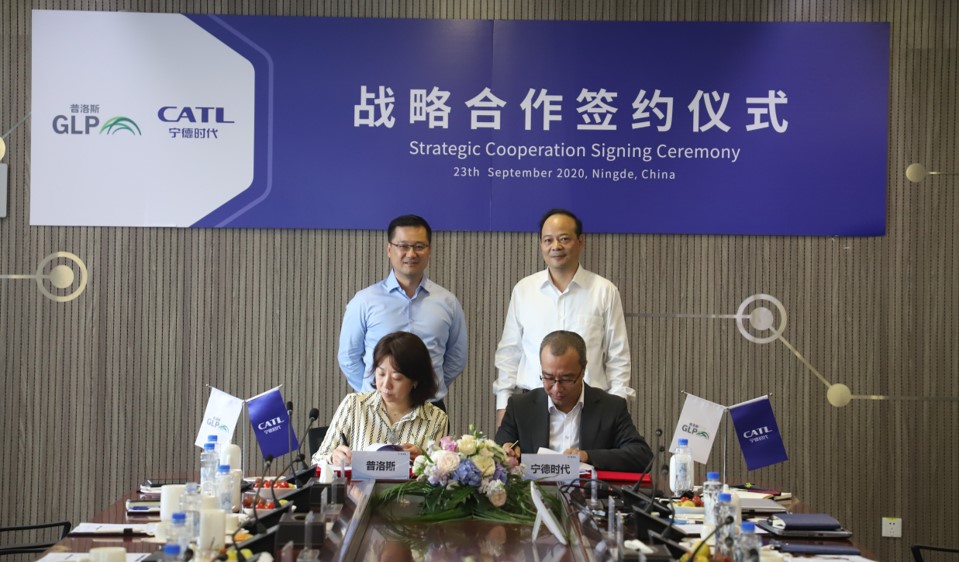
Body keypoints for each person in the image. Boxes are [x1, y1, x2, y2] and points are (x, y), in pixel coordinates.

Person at [493, 208, 632, 428]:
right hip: (533, 405)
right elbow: (509, 354)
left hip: (590, 407)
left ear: (580, 241)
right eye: (548, 240)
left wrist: (616, 410)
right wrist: (503, 406)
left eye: (564, 239)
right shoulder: (524, 290)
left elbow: (618, 357)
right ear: (541, 244)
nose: (555, 246)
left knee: (588, 454)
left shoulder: (604, 291)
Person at [338, 214, 467, 412]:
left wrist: (427, 387)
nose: (411, 254)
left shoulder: (448, 302)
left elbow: (456, 357)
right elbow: (348, 357)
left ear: (429, 250)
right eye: (403, 246)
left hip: (429, 408)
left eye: (419, 246)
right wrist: (374, 392)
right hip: (376, 408)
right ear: (389, 249)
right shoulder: (364, 301)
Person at [495, 331, 652, 472]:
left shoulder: (610, 407)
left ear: (583, 370)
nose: (557, 388)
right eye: (548, 378)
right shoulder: (520, 407)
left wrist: (587, 456)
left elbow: (642, 456)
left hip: (590, 494)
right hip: (533, 493)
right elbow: (497, 450)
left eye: (566, 379)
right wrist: (506, 450)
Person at [314, 331, 449, 465]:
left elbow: (439, 472)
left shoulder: (436, 419)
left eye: (397, 378)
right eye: (381, 374)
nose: (386, 385)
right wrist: (333, 458)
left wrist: (423, 461)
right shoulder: (354, 405)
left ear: (416, 380)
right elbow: (318, 459)